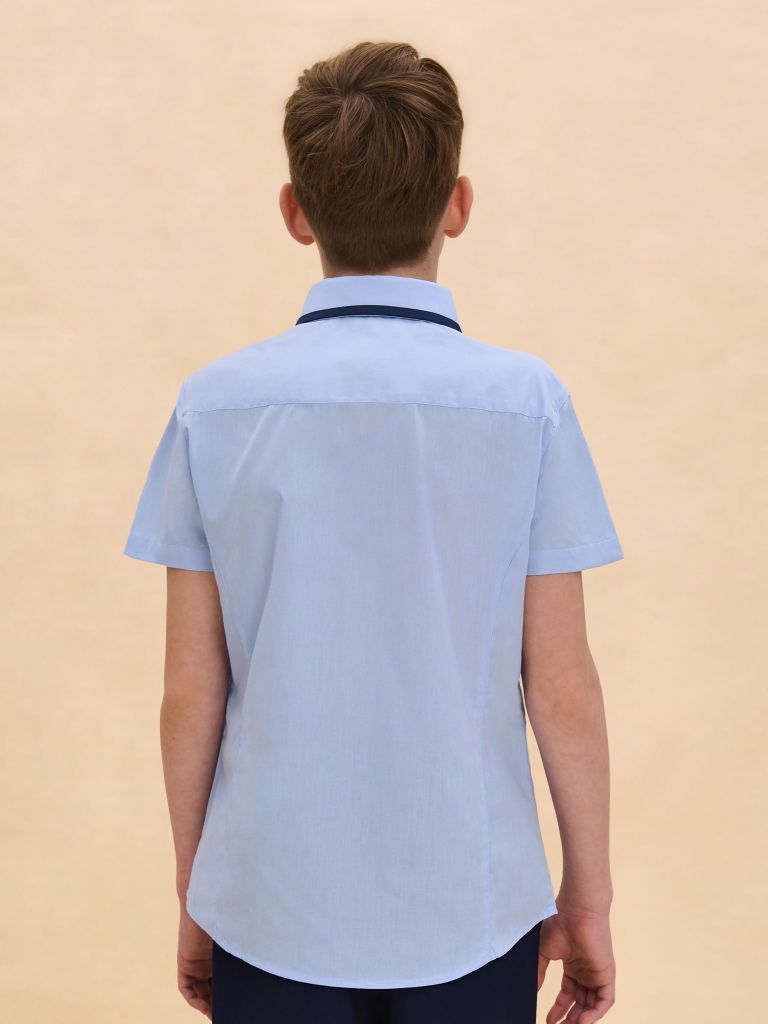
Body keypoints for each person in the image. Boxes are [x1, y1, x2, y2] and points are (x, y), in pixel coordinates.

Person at [124, 41, 620, 1024]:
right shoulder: (527, 404)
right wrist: (588, 898)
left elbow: (191, 690)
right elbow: (561, 687)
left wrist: (197, 894)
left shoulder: (213, 407)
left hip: (268, 902)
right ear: (458, 204)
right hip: (473, 904)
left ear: (295, 211)